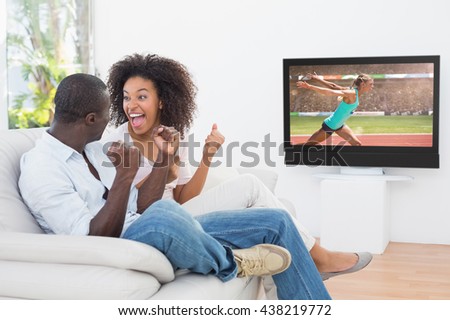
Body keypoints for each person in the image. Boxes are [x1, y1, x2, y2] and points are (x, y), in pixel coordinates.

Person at [18, 73, 331, 300]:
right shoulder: (42, 168)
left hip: (150, 225)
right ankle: (229, 261)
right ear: (90, 119)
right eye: (105, 116)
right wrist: (125, 179)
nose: (114, 121)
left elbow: (141, 208)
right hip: (125, 241)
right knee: (166, 213)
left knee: (275, 220)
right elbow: (91, 239)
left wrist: (163, 160)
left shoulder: (89, 150)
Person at [104, 53, 372, 281]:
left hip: (182, 212)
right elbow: (131, 205)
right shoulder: (116, 143)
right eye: (126, 97)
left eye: (141, 96)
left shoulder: (174, 136)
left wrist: (207, 155)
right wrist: (164, 166)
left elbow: (184, 197)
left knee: (254, 192)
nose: (131, 105)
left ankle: (311, 261)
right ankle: (319, 257)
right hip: (160, 225)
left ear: (162, 100)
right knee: (252, 188)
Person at [296, 73, 374, 146]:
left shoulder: (351, 90)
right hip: (330, 125)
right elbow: (330, 92)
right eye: (370, 84)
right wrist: (310, 87)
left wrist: (318, 79)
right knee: (308, 145)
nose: (372, 86)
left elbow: (333, 86)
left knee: (357, 144)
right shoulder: (351, 93)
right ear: (363, 84)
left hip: (340, 125)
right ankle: (289, 148)